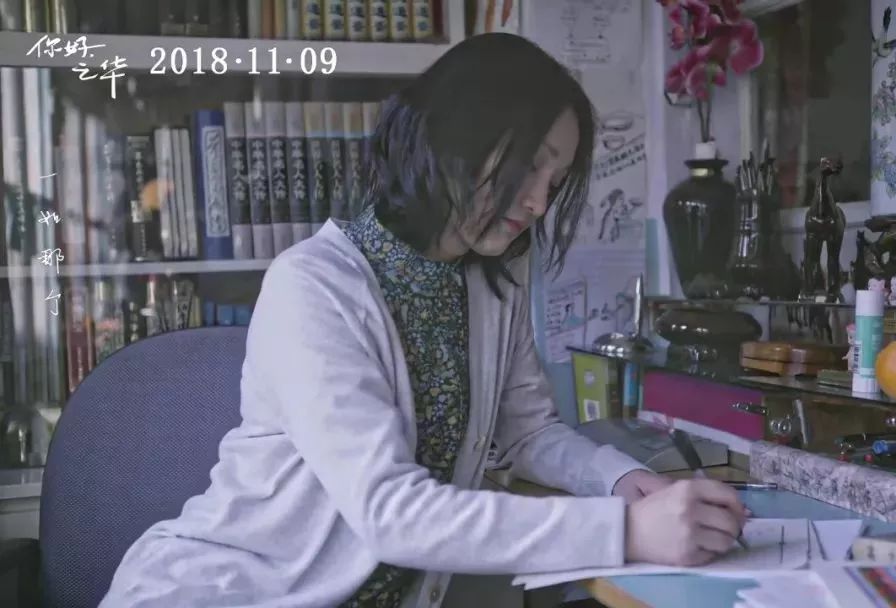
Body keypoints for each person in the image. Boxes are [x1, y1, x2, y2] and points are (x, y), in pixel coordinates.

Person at [102, 33, 748, 608]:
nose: (538, 201)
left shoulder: (493, 278)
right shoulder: (313, 285)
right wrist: (626, 531)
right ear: (454, 135)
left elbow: (525, 433)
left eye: (554, 181)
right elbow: (389, 512)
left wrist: (622, 481)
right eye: (529, 164)